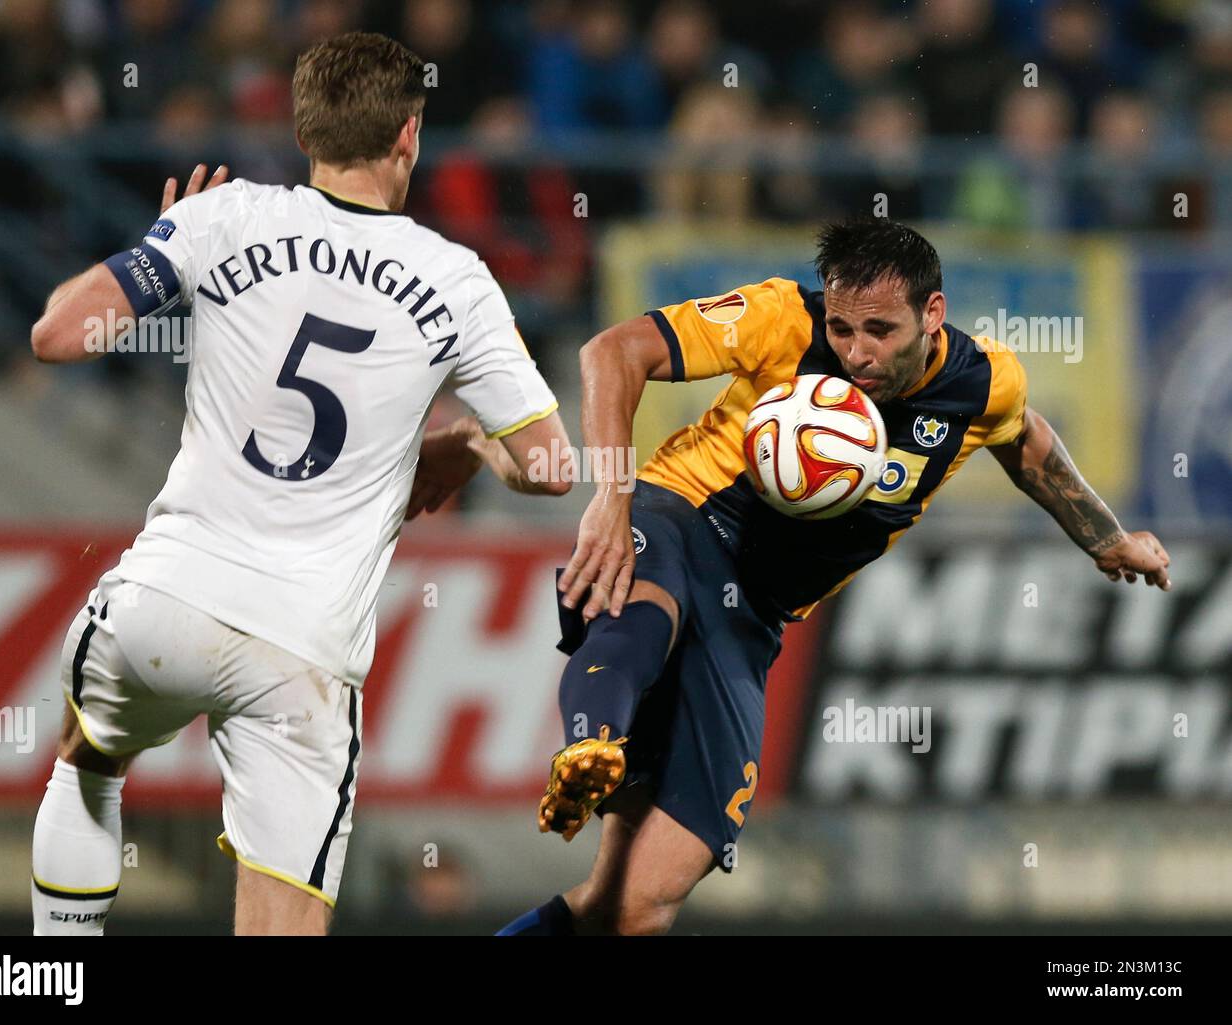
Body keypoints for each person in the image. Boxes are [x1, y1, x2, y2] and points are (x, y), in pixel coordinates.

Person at [28, 31, 570, 936]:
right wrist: (471, 442)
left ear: (304, 126)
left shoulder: (221, 216)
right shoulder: (459, 279)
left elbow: (57, 335)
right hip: (304, 652)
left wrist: (168, 246)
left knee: (88, 760)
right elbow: (553, 469)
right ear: (410, 135)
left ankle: (56, 971)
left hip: (165, 600)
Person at [499, 216, 1171, 936]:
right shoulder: (782, 317)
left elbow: (1027, 442)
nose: (857, 353)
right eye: (843, 328)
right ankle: (589, 738)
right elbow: (614, 350)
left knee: (633, 905)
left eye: (879, 330)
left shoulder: (983, 383)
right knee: (646, 603)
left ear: (932, 313)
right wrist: (612, 490)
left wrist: (1107, 537)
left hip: (751, 619)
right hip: (682, 514)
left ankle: (598, 762)